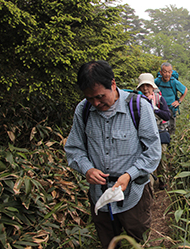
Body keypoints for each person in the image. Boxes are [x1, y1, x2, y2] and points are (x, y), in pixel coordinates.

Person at [64, 60, 161, 248]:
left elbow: (153, 152)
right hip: (99, 196)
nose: (96, 103)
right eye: (90, 98)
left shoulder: (139, 107)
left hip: (134, 193)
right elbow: (74, 148)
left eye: (100, 96)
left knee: (138, 238)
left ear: (113, 84)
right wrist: (87, 169)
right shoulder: (83, 110)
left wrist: (128, 175)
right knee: (108, 242)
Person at [137, 73, 171, 189]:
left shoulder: (159, 99)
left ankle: (163, 181)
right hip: (145, 135)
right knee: (147, 160)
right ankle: (149, 186)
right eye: (143, 86)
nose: (145, 88)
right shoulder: (137, 101)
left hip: (160, 134)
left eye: (148, 85)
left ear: (153, 87)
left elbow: (167, 115)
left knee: (162, 159)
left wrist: (155, 110)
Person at [154, 62, 188, 135]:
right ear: (161, 72)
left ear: (171, 72)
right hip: (159, 107)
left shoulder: (174, 82)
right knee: (158, 125)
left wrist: (179, 101)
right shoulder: (157, 81)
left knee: (171, 126)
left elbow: (185, 90)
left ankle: (171, 141)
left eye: (169, 72)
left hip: (171, 107)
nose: (167, 74)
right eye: (165, 72)